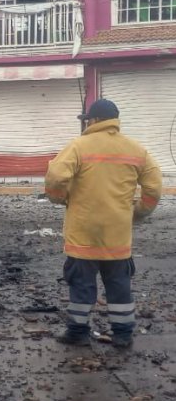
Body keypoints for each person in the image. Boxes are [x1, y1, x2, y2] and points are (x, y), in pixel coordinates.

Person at [45, 99, 162, 349]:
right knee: (119, 284)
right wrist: (138, 212)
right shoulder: (136, 149)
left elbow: (56, 177)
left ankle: (78, 331)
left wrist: (59, 198)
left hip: (83, 232)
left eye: (88, 119)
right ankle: (122, 334)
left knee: (81, 283)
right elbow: (153, 188)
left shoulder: (78, 146)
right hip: (117, 234)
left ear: (95, 120)